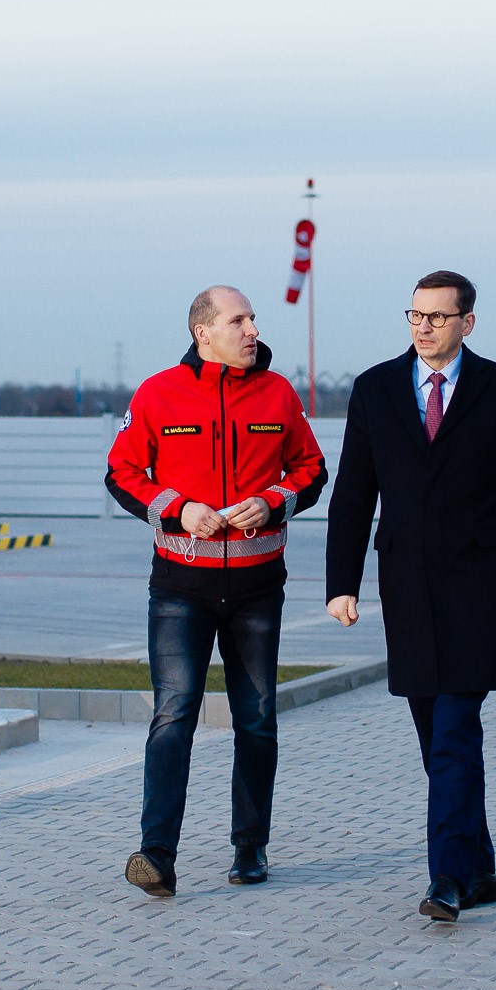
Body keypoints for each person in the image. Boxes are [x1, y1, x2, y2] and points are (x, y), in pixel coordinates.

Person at [324, 271, 496, 922]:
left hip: (479, 588)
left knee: (454, 730)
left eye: (438, 317)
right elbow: (353, 495)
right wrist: (342, 584)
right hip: (407, 587)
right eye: (415, 315)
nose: (424, 327)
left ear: (466, 323)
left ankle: (446, 879)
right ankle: (479, 867)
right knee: (435, 738)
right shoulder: (375, 389)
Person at [106, 284, 327, 897]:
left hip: (258, 588)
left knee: (255, 720)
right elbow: (122, 472)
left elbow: (311, 469)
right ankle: (157, 855)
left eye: (253, 319)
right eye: (239, 320)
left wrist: (274, 501)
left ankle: (250, 847)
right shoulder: (157, 393)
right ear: (203, 332)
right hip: (180, 589)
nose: (253, 329)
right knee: (173, 715)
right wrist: (179, 509)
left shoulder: (278, 392)